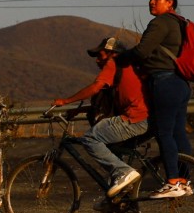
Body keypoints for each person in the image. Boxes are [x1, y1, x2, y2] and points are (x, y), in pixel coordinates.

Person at [52, 35, 147, 199]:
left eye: (100, 55)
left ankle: (124, 172)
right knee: (109, 147)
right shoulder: (126, 68)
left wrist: (66, 101)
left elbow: (96, 87)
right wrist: (78, 110)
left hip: (135, 118)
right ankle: (115, 198)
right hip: (143, 117)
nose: (97, 60)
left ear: (112, 54)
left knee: (90, 138)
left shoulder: (114, 63)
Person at [125, 0, 193, 198]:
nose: (151, 2)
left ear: (169, 2)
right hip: (181, 84)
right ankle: (183, 181)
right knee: (178, 133)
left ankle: (172, 181)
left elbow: (141, 52)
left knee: (164, 132)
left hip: (164, 83)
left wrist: (119, 57)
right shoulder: (180, 23)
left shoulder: (160, 22)